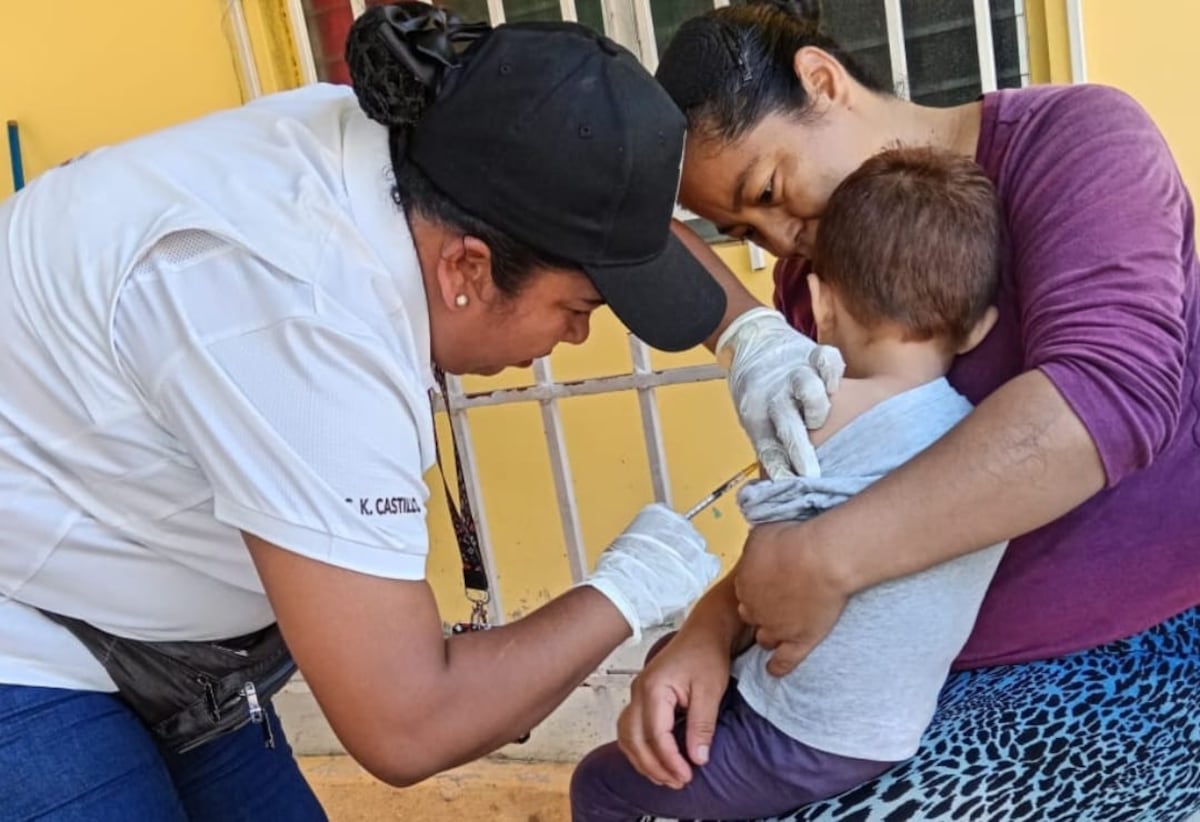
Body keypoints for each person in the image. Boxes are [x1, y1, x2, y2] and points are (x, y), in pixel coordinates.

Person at [0, 4, 844, 818]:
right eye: (579, 308)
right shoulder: (297, 315)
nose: (579, 338)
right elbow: (406, 726)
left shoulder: (432, 148)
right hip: (27, 626)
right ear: (466, 270)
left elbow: (610, 221)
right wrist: (623, 594)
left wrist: (752, 339)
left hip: (174, 622)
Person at [611, 1, 1200, 818]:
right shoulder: (807, 287)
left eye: (770, 191)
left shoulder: (1076, 142)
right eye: (744, 227)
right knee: (642, 787)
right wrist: (708, 634)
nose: (782, 243)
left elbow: (1109, 395)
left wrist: (825, 562)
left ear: (822, 82)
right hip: (912, 675)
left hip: (1136, 652)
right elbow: (828, 486)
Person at [572, 146, 1009, 820]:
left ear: (820, 304)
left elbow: (762, 577)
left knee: (600, 783)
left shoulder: (813, 410)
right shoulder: (989, 439)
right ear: (980, 324)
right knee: (681, 664)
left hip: (805, 737)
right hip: (896, 722)